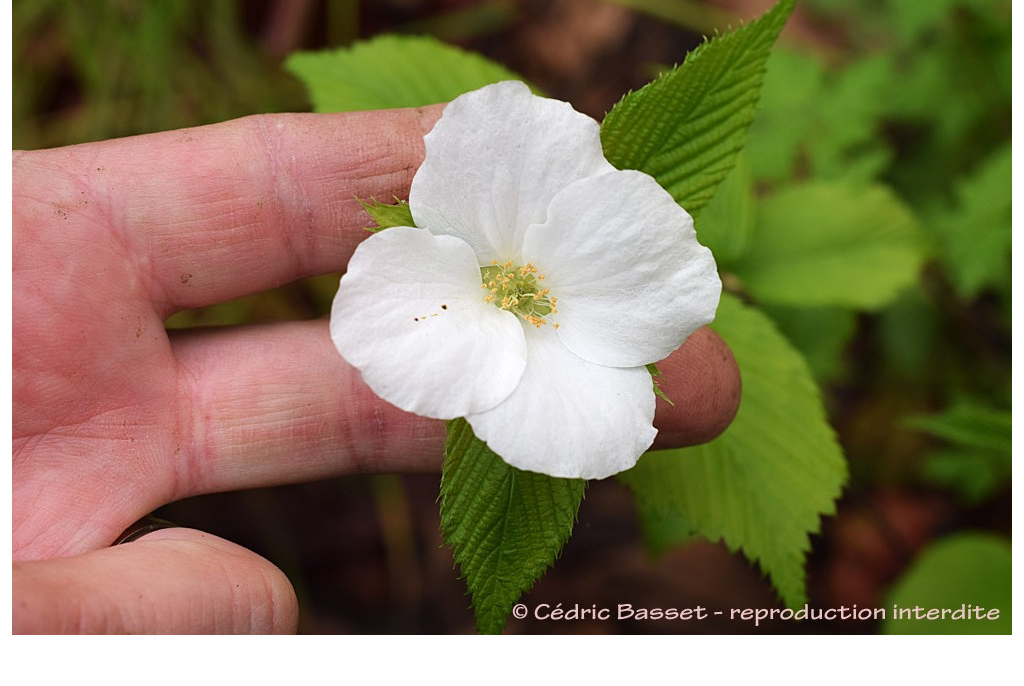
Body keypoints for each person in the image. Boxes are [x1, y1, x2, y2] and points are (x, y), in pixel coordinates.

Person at [11, 107, 741, 634]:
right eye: (519, 287)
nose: (522, 292)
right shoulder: (479, 209)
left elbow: (654, 275)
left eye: (525, 293)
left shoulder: (574, 291)